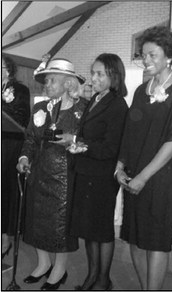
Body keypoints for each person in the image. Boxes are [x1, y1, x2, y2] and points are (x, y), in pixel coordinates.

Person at [116, 26, 172, 290]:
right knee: (135, 241)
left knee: (155, 243)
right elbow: (128, 133)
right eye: (143, 55)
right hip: (135, 174)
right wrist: (119, 167)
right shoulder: (141, 91)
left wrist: (142, 177)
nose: (146, 60)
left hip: (161, 179)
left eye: (153, 55)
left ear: (169, 57)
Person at [55, 53, 128, 290]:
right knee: (89, 230)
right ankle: (92, 275)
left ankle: (103, 279)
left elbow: (110, 148)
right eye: (93, 72)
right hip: (86, 172)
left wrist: (77, 143)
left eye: (99, 74)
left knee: (102, 231)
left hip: (101, 177)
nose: (93, 78)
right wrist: (75, 140)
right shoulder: (97, 98)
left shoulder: (117, 105)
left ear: (113, 76)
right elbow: (88, 134)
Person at [16, 58, 87, 291]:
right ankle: (44, 263)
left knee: (60, 225)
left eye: (51, 80)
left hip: (66, 177)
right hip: (38, 173)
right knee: (36, 221)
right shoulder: (39, 108)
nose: (46, 85)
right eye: (45, 81)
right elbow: (29, 138)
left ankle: (60, 269)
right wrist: (24, 158)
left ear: (68, 84)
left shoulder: (82, 109)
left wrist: (76, 142)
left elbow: (90, 140)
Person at [2, 54, 30, 259]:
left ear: (9, 69)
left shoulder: (20, 90)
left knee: (7, 191)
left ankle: (6, 238)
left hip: (10, 146)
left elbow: (22, 120)